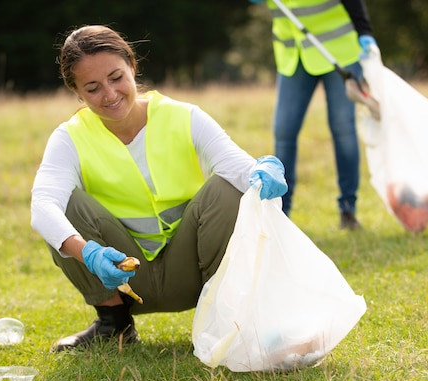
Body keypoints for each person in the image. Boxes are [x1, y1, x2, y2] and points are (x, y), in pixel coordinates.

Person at [30, 25, 288, 352]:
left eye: (116, 77)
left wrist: (262, 170)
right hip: (121, 275)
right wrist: (88, 254)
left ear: (132, 68)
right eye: (93, 88)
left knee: (227, 189)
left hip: (192, 269)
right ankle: (114, 325)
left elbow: (235, 166)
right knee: (64, 207)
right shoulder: (69, 138)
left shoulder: (184, 116)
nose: (109, 94)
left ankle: (231, 319)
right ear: (77, 93)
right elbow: (42, 206)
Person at [250, 0, 378, 229]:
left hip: (337, 51)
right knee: (284, 130)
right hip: (293, 55)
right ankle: (281, 212)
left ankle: (348, 210)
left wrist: (364, 30)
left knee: (342, 128)